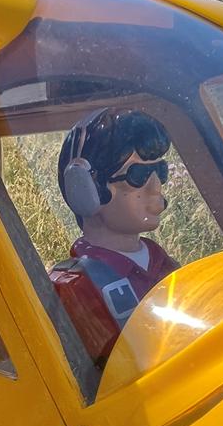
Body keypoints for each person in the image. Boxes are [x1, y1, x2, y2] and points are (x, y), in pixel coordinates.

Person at [49, 107, 179, 363]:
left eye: (160, 171)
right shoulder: (75, 288)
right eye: (138, 175)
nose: (156, 187)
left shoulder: (162, 262)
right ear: (85, 188)